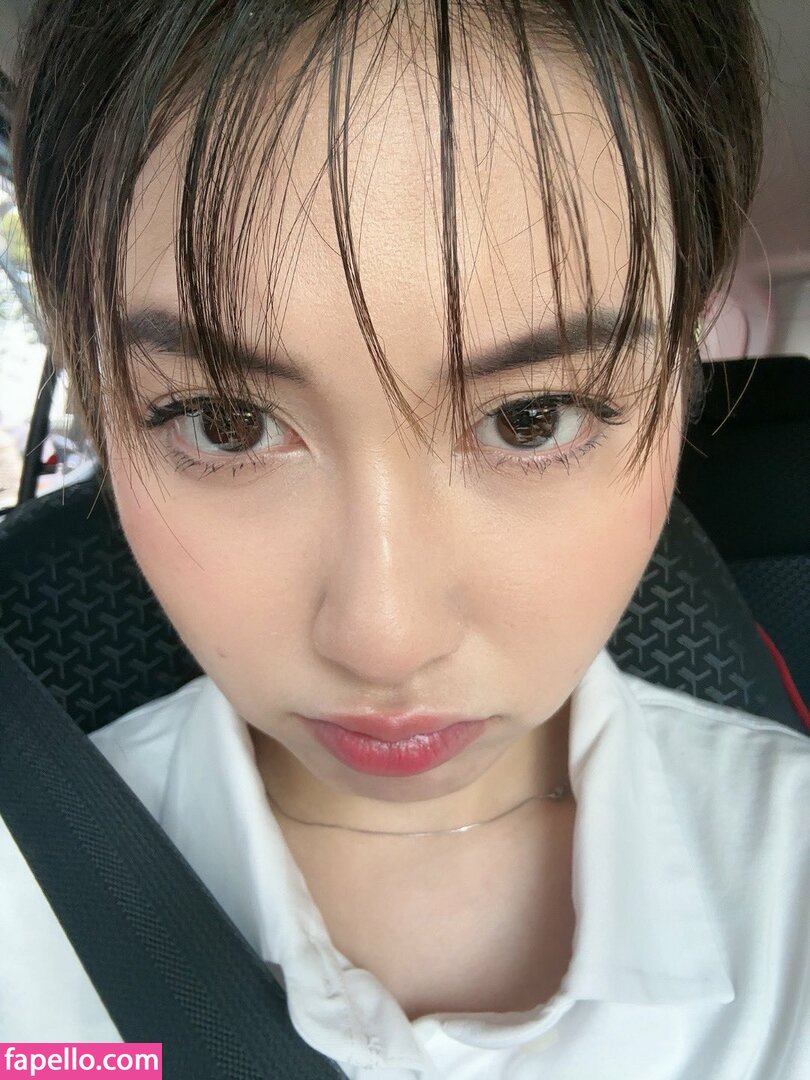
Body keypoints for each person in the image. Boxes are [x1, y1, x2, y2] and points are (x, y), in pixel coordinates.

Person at [1, 0, 808, 1075]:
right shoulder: (24, 889)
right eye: (225, 422)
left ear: (674, 378)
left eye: (533, 418)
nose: (386, 640)